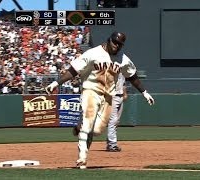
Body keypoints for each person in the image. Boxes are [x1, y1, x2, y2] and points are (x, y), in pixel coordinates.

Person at [45, 31, 155, 169]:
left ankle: (79, 126)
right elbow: (74, 70)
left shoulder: (123, 59)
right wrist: (56, 83)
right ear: (109, 40)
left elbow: (132, 76)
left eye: (120, 44)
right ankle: (82, 159)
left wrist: (144, 92)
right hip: (91, 91)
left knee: (97, 130)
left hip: (108, 97)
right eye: (115, 42)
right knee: (88, 125)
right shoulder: (93, 53)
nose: (117, 46)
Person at [106, 73, 127, 152]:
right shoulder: (110, 72)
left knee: (116, 121)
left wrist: (125, 94)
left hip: (120, 96)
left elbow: (123, 84)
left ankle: (110, 142)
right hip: (113, 97)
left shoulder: (122, 72)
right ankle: (112, 144)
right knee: (113, 120)